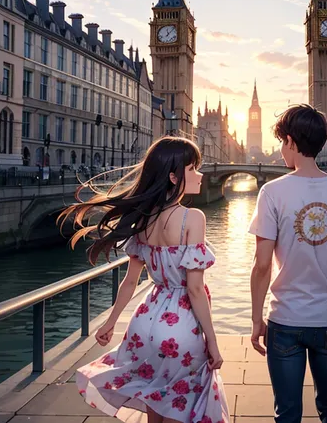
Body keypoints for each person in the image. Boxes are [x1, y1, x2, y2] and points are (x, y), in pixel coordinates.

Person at [59, 137, 229, 423]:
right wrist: (212, 341)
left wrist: (110, 322)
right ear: (174, 177)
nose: (201, 174)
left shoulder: (142, 219)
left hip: (145, 325)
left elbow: (130, 282)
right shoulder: (193, 219)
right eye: (193, 168)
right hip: (181, 328)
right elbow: (195, 289)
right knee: (179, 406)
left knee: (155, 403)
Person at [248, 104, 327, 423]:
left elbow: (261, 266)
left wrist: (257, 319)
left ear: (289, 141)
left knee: (287, 412)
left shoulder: (272, 192)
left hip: (285, 320)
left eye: (282, 144)